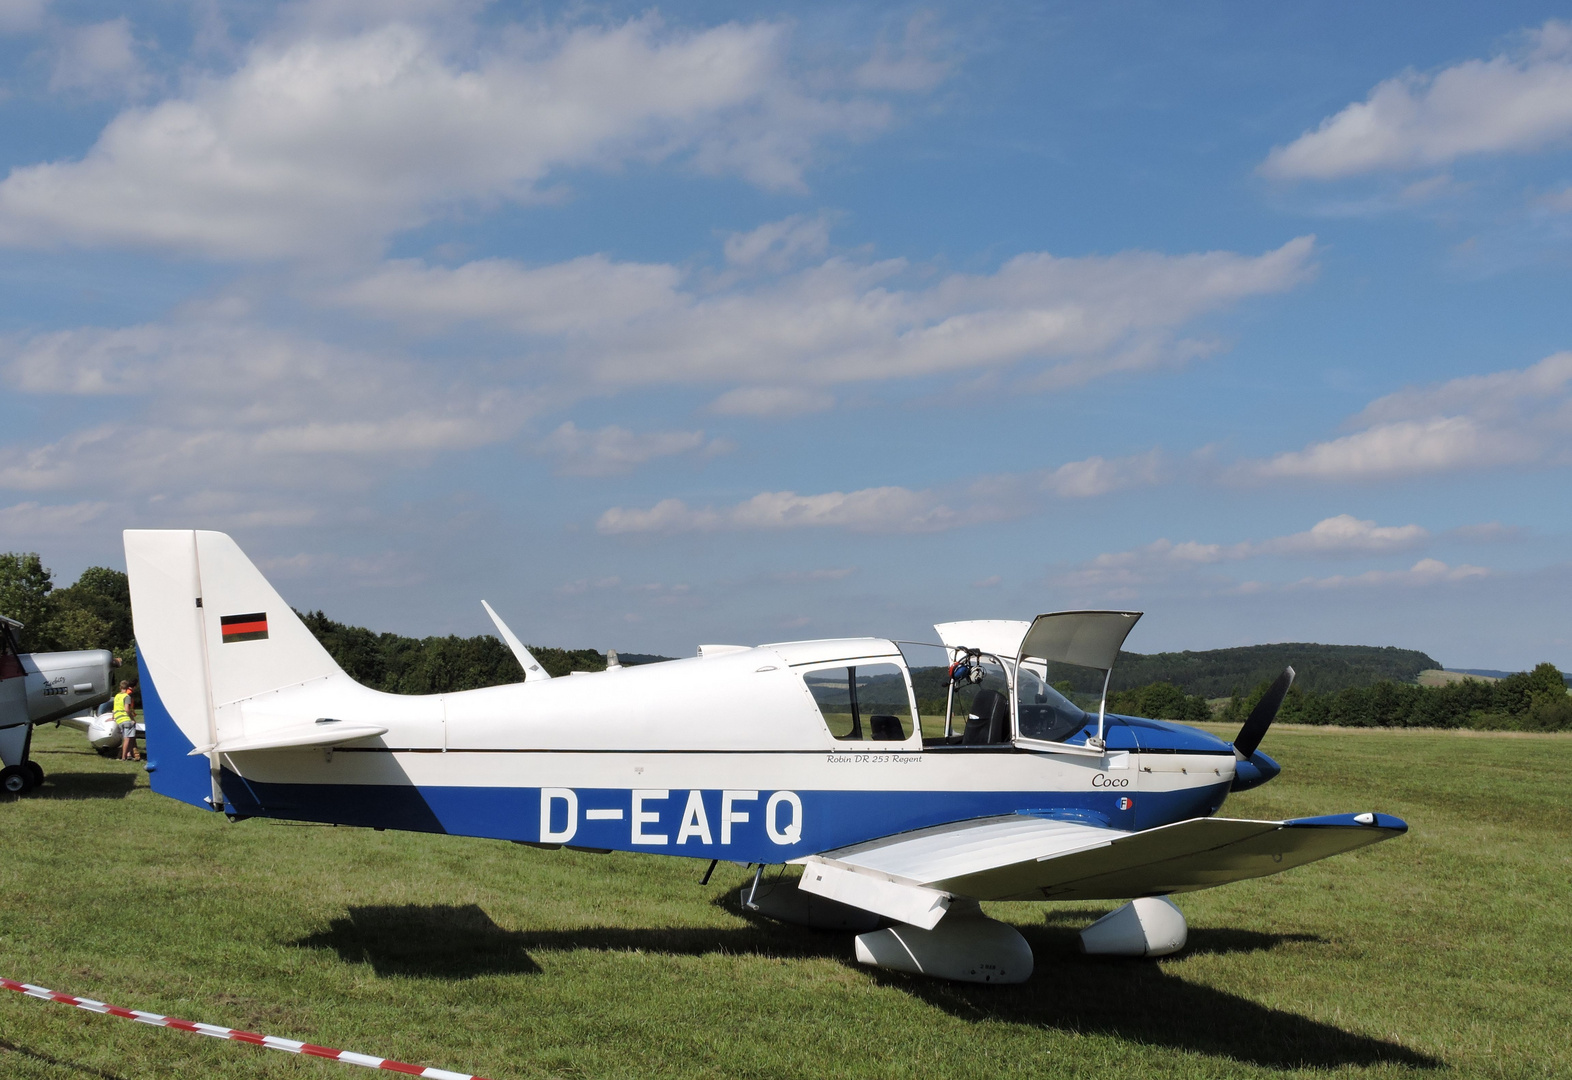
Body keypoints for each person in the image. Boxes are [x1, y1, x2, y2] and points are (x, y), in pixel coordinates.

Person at [113, 680, 139, 762]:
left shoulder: (117, 696)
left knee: (128, 738)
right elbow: (127, 710)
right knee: (128, 739)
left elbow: (114, 709)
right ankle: (123, 757)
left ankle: (128, 755)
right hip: (126, 719)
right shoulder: (126, 697)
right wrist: (132, 719)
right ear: (128, 688)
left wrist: (112, 717)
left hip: (119, 719)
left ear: (120, 687)